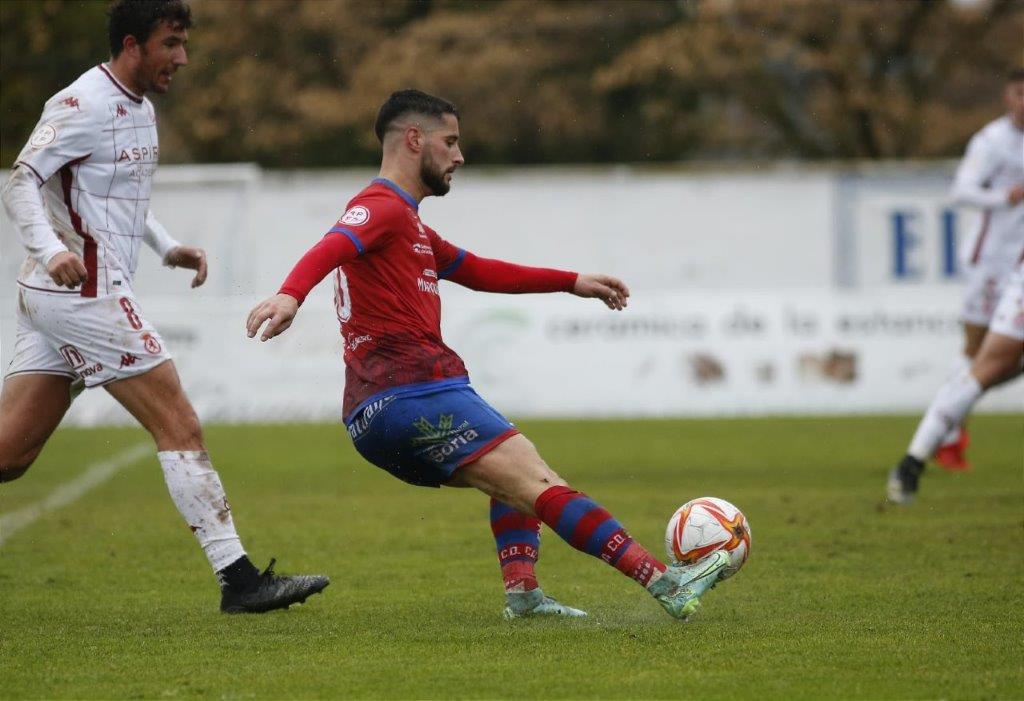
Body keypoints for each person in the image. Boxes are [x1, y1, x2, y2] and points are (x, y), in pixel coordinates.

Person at [246, 89, 732, 620]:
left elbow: (478, 270)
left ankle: (522, 594)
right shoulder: (380, 206)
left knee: (512, 476)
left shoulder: (409, 225)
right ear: (414, 139)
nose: (459, 156)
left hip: (372, 417)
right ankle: (670, 586)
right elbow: (334, 243)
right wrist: (291, 294)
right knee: (540, 483)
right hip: (417, 392)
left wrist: (571, 281)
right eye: (450, 142)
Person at [0, 0, 328, 613]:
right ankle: (240, 581)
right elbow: (19, 179)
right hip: (83, 294)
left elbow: (125, 197)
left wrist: (168, 245)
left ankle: (241, 581)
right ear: (132, 44)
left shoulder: (141, 110)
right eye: (171, 44)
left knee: (10, 457)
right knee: (179, 424)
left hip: (64, 296)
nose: (182, 58)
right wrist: (48, 251)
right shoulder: (79, 104)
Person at [928, 69, 1024, 470]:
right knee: (976, 351)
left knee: (1002, 359)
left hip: (1021, 266)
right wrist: (1005, 196)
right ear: (1007, 96)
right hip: (991, 263)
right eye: (1021, 93)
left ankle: (943, 428)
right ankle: (947, 435)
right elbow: (960, 190)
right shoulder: (991, 141)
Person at [887, 262, 1023, 504]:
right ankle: (914, 459)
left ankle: (916, 458)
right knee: (988, 367)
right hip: (998, 268)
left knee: (987, 367)